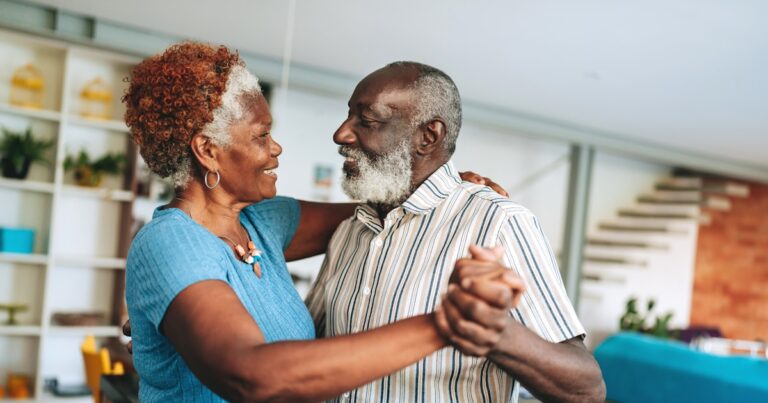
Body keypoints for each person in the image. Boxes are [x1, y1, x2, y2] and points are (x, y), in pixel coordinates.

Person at [122, 42, 520, 402]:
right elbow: (252, 376)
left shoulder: (262, 223)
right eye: (262, 135)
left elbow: (386, 210)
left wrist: (445, 187)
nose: (276, 148)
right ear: (208, 151)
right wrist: (444, 325)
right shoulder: (168, 243)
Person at [305, 61, 606, 402]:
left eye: (368, 120)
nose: (341, 134)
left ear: (428, 136)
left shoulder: (498, 223)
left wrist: (498, 334)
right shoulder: (351, 230)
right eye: (349, 116)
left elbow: (587, 390)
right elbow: (308, 348)